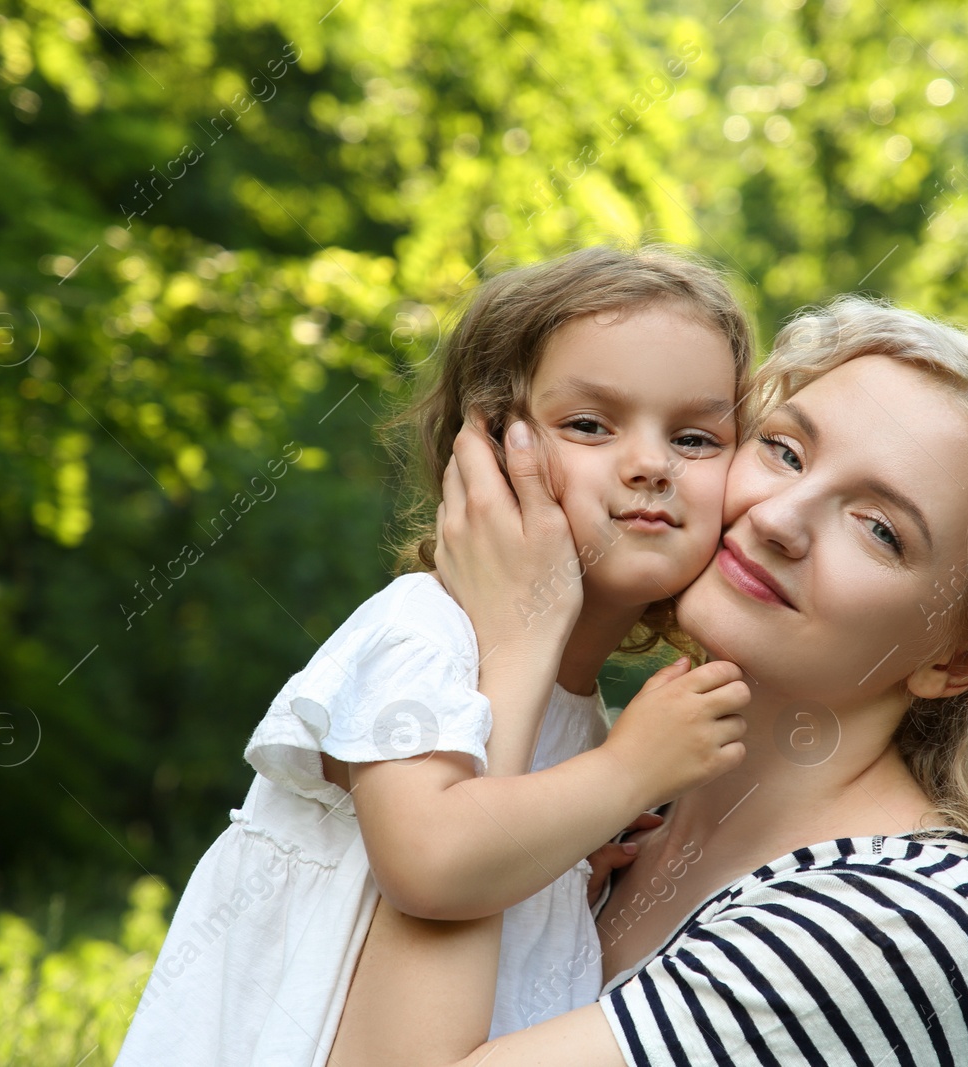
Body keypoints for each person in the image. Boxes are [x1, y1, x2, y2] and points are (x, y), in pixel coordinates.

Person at [329, 298, 968, 1066]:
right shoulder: (618, 817)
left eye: (880, 529)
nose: (777, 519)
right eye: (784, 450)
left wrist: (512, 648)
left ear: (952, 661)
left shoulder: (900, 925)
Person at [114, 245, 759, 1066]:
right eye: (590, 424)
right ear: (490, 449)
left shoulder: (581, 719)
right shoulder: (421, 634)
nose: (650, 464)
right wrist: (629, 771)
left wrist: (570, 873)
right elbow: (433, 862)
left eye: (697, 437)